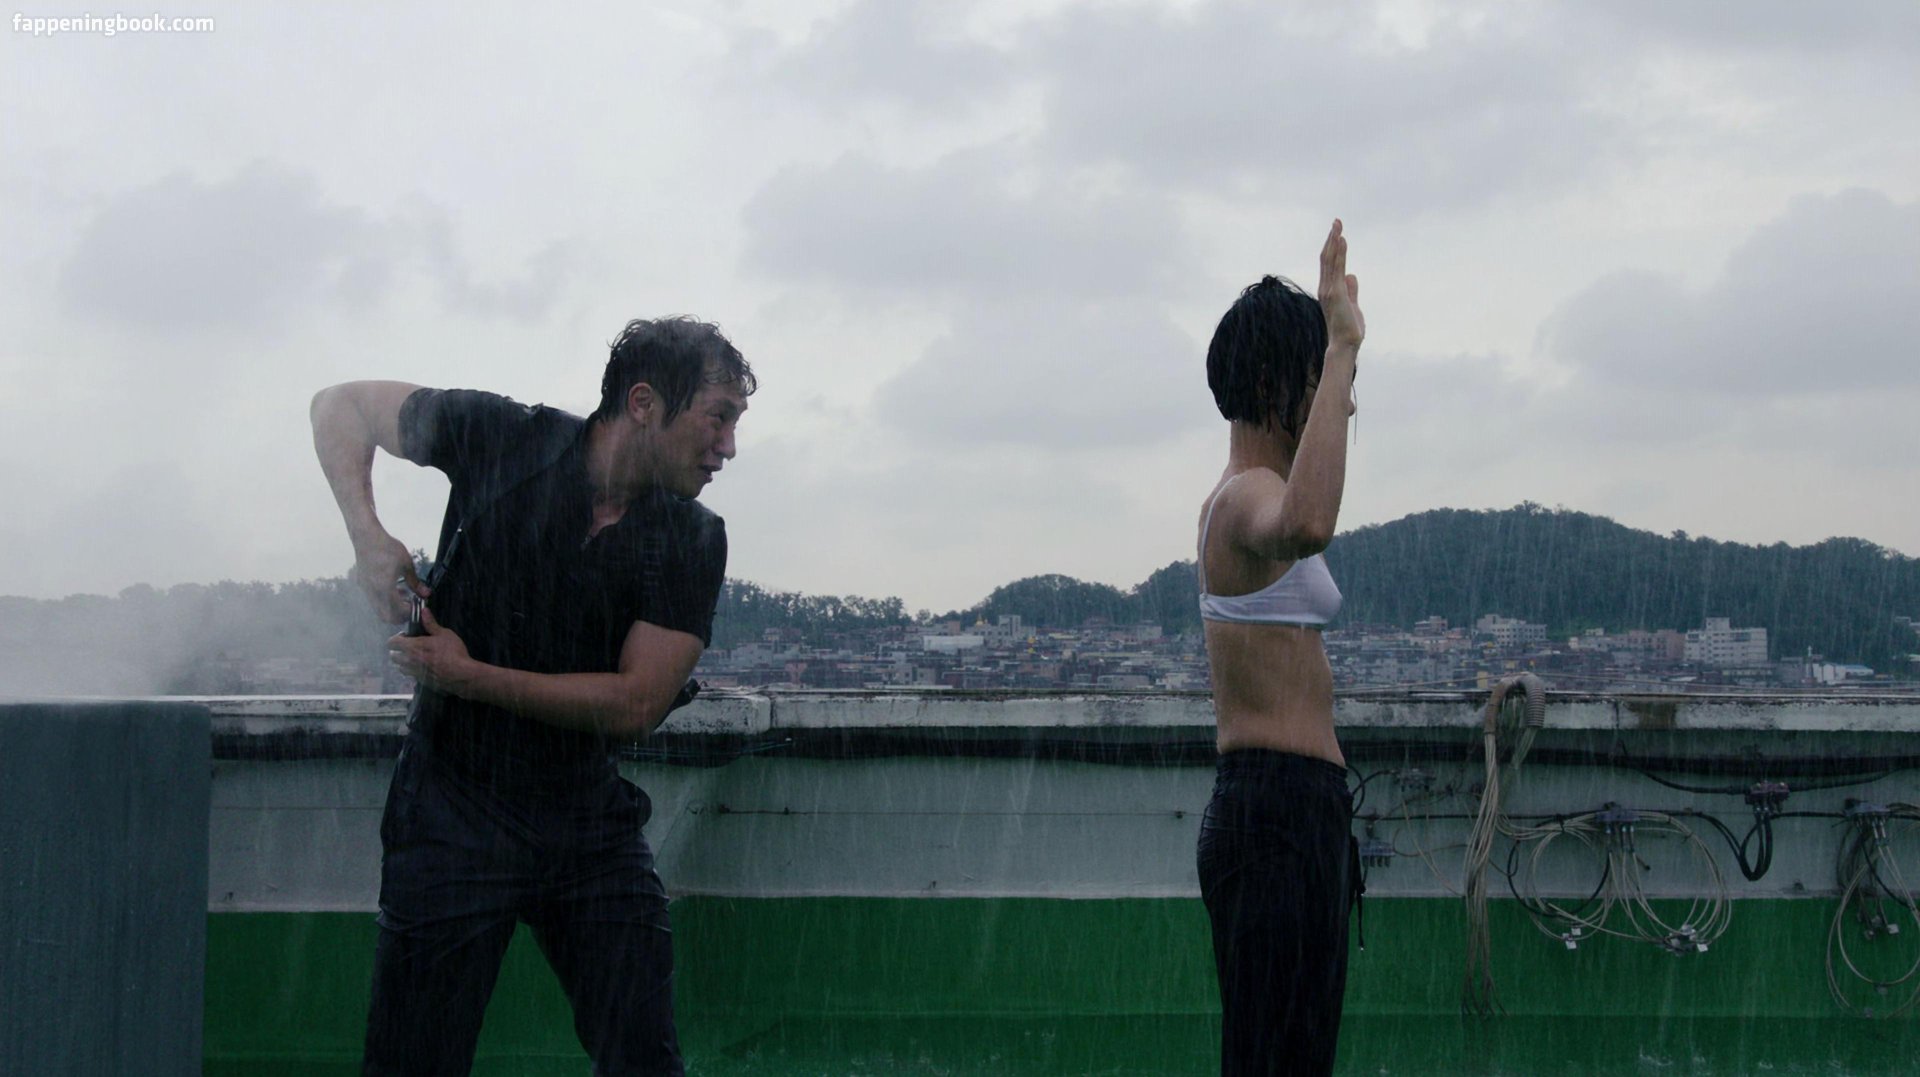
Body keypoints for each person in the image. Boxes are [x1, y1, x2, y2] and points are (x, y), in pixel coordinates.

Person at [309, 316, 755, 1076]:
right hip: (452, 803)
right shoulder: (503, 438)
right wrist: (368, 536)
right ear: (644, 402)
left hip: (586, 819)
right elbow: (339, 405)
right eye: (718, 417)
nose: (728, 446)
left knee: (644, 1060)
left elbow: (635, 703)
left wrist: (467, 675)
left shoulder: (691, 538)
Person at [1194, 220, 1365, 1077]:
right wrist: (1342, 345)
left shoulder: (1253, 491)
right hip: (1274, 814)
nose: (1344, 404)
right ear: (1274, 384)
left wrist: (1336, 358)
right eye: (1324, 385)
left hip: (1296, 813)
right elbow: (1308, 521)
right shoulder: (1243, 500)